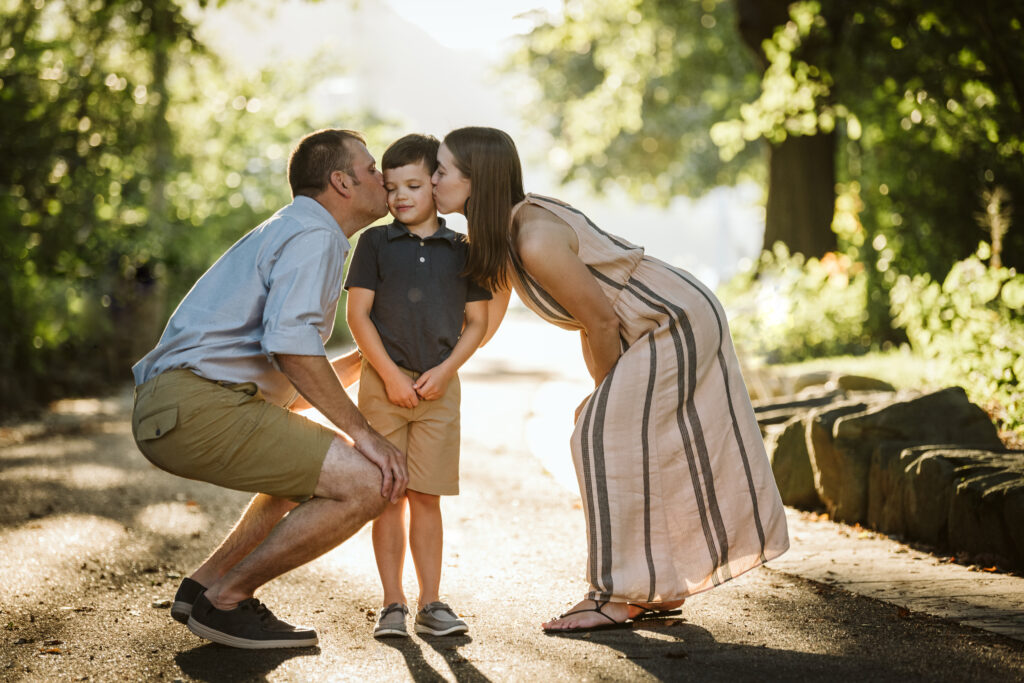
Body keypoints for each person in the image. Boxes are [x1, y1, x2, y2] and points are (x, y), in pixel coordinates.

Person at [431, 126, 790, 633]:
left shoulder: (533, 237)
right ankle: (650, 588)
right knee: (606, 433)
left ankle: (615, 596)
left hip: (673, 319)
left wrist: (606, 393)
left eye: (442, 170)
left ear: (476, 180)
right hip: (653, 324)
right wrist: (382, 364)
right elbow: (482, 327)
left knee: (599, 434)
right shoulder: (502, 237)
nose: (432, 178)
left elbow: (600, 321)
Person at [130, 128, 409, 649]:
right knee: (367, 481)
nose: (383, 177)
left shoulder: (299, 228)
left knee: (298, 472)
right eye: (371, 169)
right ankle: (229, 601)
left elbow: (288, 372)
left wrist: (371, 359)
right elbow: (292, 348)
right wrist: (364, 435)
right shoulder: (317, 235)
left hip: (184, 404)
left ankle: (206, 585)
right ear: (341, 181)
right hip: (196, 405)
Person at [345, 134, 490, 638]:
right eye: (390, 187)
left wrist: (446, 371)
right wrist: (388, 375)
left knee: (427, 496)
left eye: (412, 184)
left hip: (439, 392)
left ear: (435, 183)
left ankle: (432, 603)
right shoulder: (375, 243)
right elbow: (358, 315)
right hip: (383, 386)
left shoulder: (463, 249)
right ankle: (393, 604)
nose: (400, 196)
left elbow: (476, 322)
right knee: (389, 494)